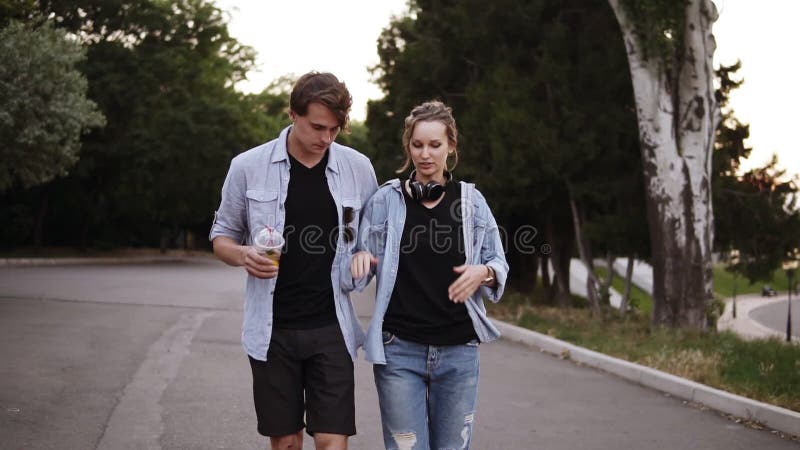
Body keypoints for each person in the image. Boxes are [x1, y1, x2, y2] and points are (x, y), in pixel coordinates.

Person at [209, 71, 378, 450]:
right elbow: (221, 237)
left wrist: (367, 255)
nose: (326, 138)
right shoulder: (247, 167)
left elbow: (374, 236)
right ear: (292, 114)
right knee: (286, 442)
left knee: (332, 441)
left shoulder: (359, 168)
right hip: (272, 330)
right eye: (318, 127)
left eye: (335, 129)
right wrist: (243, 254)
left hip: (332, 327)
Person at [345, 100, 508, 450]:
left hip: (459, 353)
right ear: (408, 147)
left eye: (435, 145)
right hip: (399, 352)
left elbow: (497, 262)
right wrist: (358, 257)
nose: (426, 154)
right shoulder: (385, 200)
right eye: (417, 145)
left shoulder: (471, 201)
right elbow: (358, 267)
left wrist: (484, 271)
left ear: (451, 146)